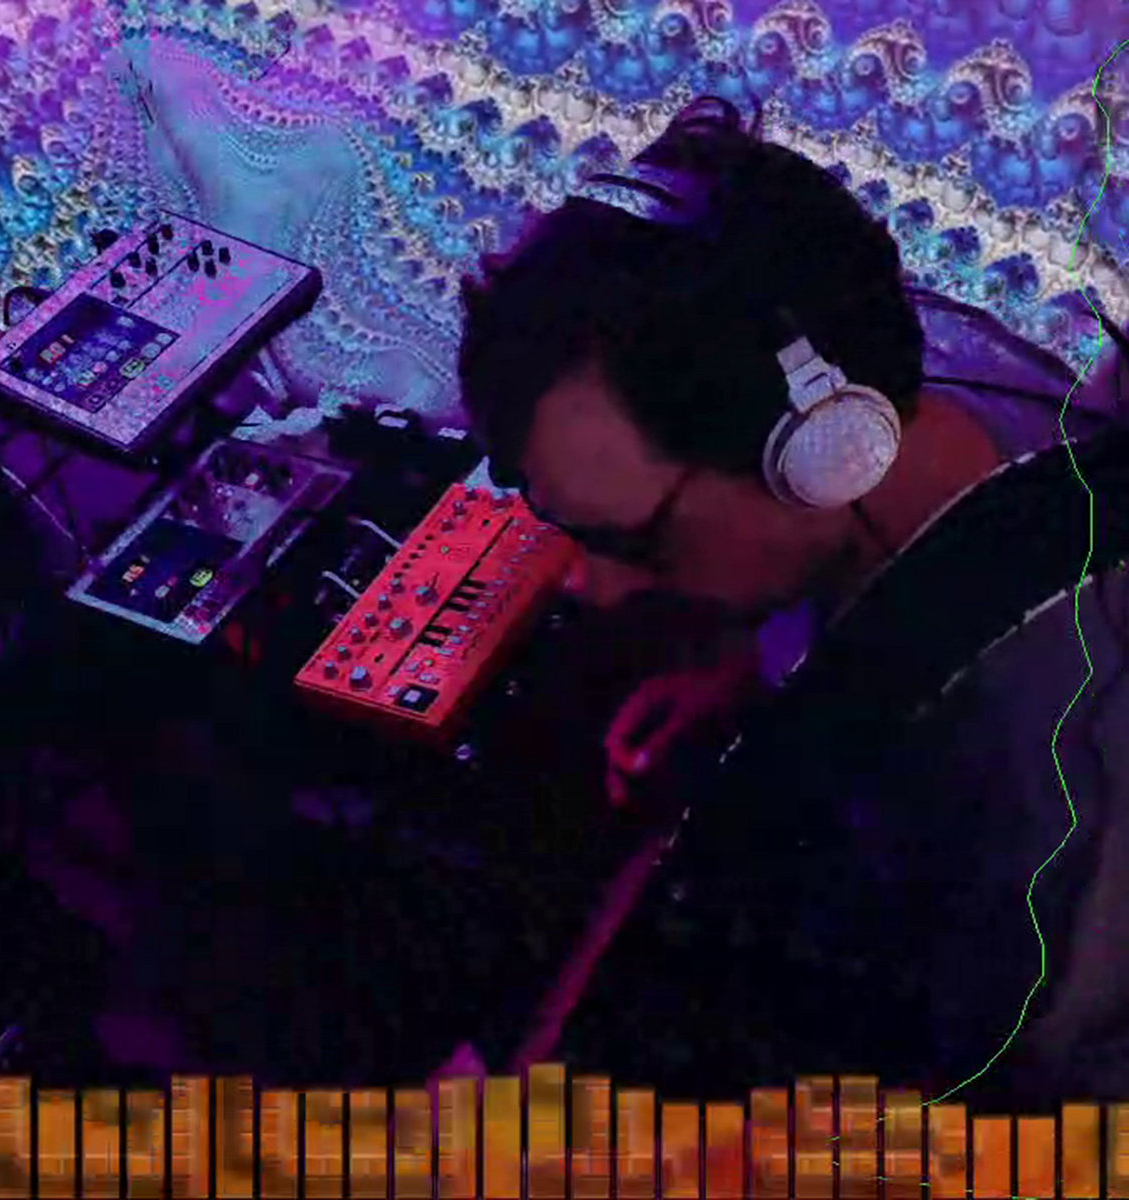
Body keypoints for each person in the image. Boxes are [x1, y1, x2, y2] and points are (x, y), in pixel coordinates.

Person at [456, 95, 1129, 1105]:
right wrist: (760, 673)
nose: (589, 584)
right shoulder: (946, 397)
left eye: (633, 542)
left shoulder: (1024, 790)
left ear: (825, 453)